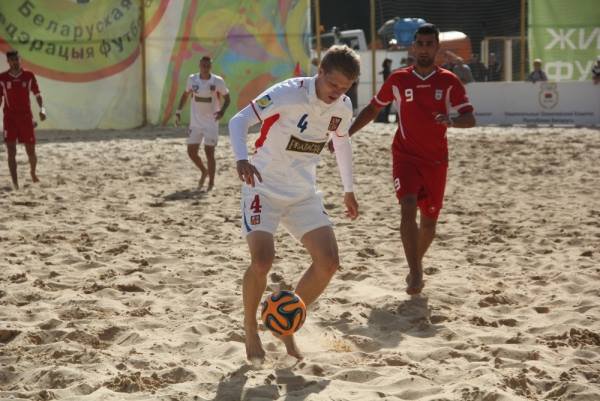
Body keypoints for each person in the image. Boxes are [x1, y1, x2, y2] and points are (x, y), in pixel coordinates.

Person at [228, 44, 360, 362]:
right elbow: (238, 120)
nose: (337, 93)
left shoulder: (342, 107)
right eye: (333, 84)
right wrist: (241, 159)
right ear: (321, 72)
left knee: (329, 262)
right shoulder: (288, 93)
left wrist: (348, 189)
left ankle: (285, 322)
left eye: (345, 88)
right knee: (262, 262)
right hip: (262, 186)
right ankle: (250, 329)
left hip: (302, 193)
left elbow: (341, 143)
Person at [346, 24, 475, 295]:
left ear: (437, 48)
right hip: (404, 156)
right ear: (413, 47)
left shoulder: (449, 81)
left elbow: (470, 118)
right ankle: (416, 273)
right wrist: (347, 134)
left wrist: (451, 121)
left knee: (429, 223)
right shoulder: (398, 79)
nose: (425, 48)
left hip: (436, 161)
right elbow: (372, 108)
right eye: (421, 44)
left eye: (430, 44)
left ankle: (414, 263)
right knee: (407, 206)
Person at [175, 56, 230, 191]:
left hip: (211, 122)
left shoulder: (217, 81)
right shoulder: (192, 79)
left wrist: (222, 111)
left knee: (209, 152)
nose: (205, 68)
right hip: (196, 122)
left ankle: (211, 183)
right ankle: (204, 171)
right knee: (191, 151)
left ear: (210, 66)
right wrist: (178, 111)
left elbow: (227, 98)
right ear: (199, 65)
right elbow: (185, 94)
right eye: (203, 65)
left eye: (208, 66)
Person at [0, 50, 46, 190]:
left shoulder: (28, 75)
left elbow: (37, 94)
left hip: (26, 118)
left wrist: (42, 109)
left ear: (21, 60)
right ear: (8, 61)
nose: (15, 62)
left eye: (17, 59)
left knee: (30, 151)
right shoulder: (2, 78)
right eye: (12, 60)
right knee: (11, 151)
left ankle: (32, 172)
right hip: (10, 119)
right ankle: (15, 184)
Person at [376, 58, 393, 122]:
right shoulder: (387, 70)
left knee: (387, 105)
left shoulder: (386, 70)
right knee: (388, 105)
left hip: (387, 88)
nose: (390, 64)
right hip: (388, 88)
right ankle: (386, 119)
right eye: (389, 63)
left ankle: (386, 118)